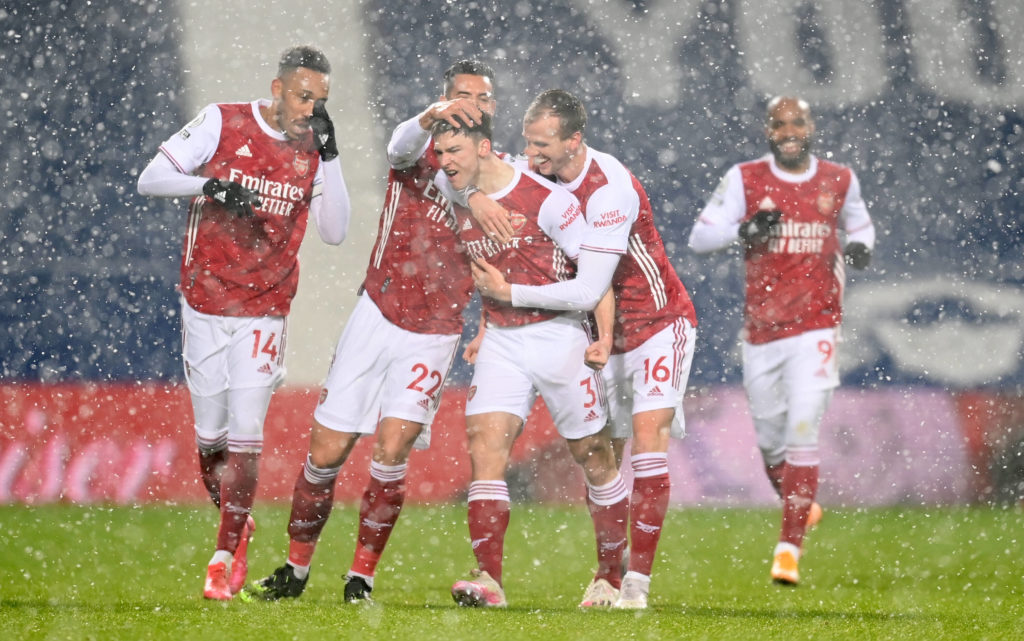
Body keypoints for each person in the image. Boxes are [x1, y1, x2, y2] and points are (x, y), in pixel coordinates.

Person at [243, 60, 504, 603]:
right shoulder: (419, 154)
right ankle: (295, 569)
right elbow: (397, 148)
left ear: (492, 110)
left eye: (479, 97)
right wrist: (432, 121)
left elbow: (512, 258)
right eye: (458, 95)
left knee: (392, 450)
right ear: (442, 100)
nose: (468, 104)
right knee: (327, 452)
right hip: (377, 312)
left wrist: (492, 324)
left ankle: (360, 578)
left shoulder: (504, 180)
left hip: (434, 333)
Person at [467, 89, 698, 609]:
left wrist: (509, 294)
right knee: (603, 461)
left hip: (656, 324)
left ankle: (635, 584)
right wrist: (476, 197)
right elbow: (478, 169)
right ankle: (606, 577)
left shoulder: (609, 191)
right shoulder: (537, 173)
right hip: (598, 336)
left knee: (646, 441)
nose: (532, 156)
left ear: (575, 140)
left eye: (543, 145)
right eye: (528, 144)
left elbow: (592, 288)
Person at [136, 45, 352, 601]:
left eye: (321, 101)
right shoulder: (222, 120)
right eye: (304, 96)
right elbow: (151, 179)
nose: (311, 108)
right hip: (205, 303)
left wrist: (331, 155)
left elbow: (334, 232)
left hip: (266, 308)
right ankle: (240, 521)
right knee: (211, 444)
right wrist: (207, 184)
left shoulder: (313, 151)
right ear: (277, 89)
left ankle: (223, 555)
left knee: (246, 435)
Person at [430, 113, 629, 609]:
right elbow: (427, 170)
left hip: (558, 336)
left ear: (484, 148)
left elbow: (594, 275)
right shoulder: (453, 186)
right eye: (440, 153)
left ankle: (610, 576)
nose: (444, 162)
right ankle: (488, 579)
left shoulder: (551, 203)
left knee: (595, 457)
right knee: (484, 449)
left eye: (454, 151)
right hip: (502, 338)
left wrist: (603, 337)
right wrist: (482, 324)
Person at [688, 95, 875, 586]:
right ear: (768, 131)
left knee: (802, 430)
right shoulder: (746, 178)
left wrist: (860, 247)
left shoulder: (840, 178)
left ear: (812, 126)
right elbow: (699, 238)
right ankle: (801, 506)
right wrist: (743, 230)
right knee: (772, 444)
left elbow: (860, 222)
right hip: (762, 332)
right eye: (779, 124)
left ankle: (788, 548)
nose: (789, 130)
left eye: (798, 122)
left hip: (817, 327)